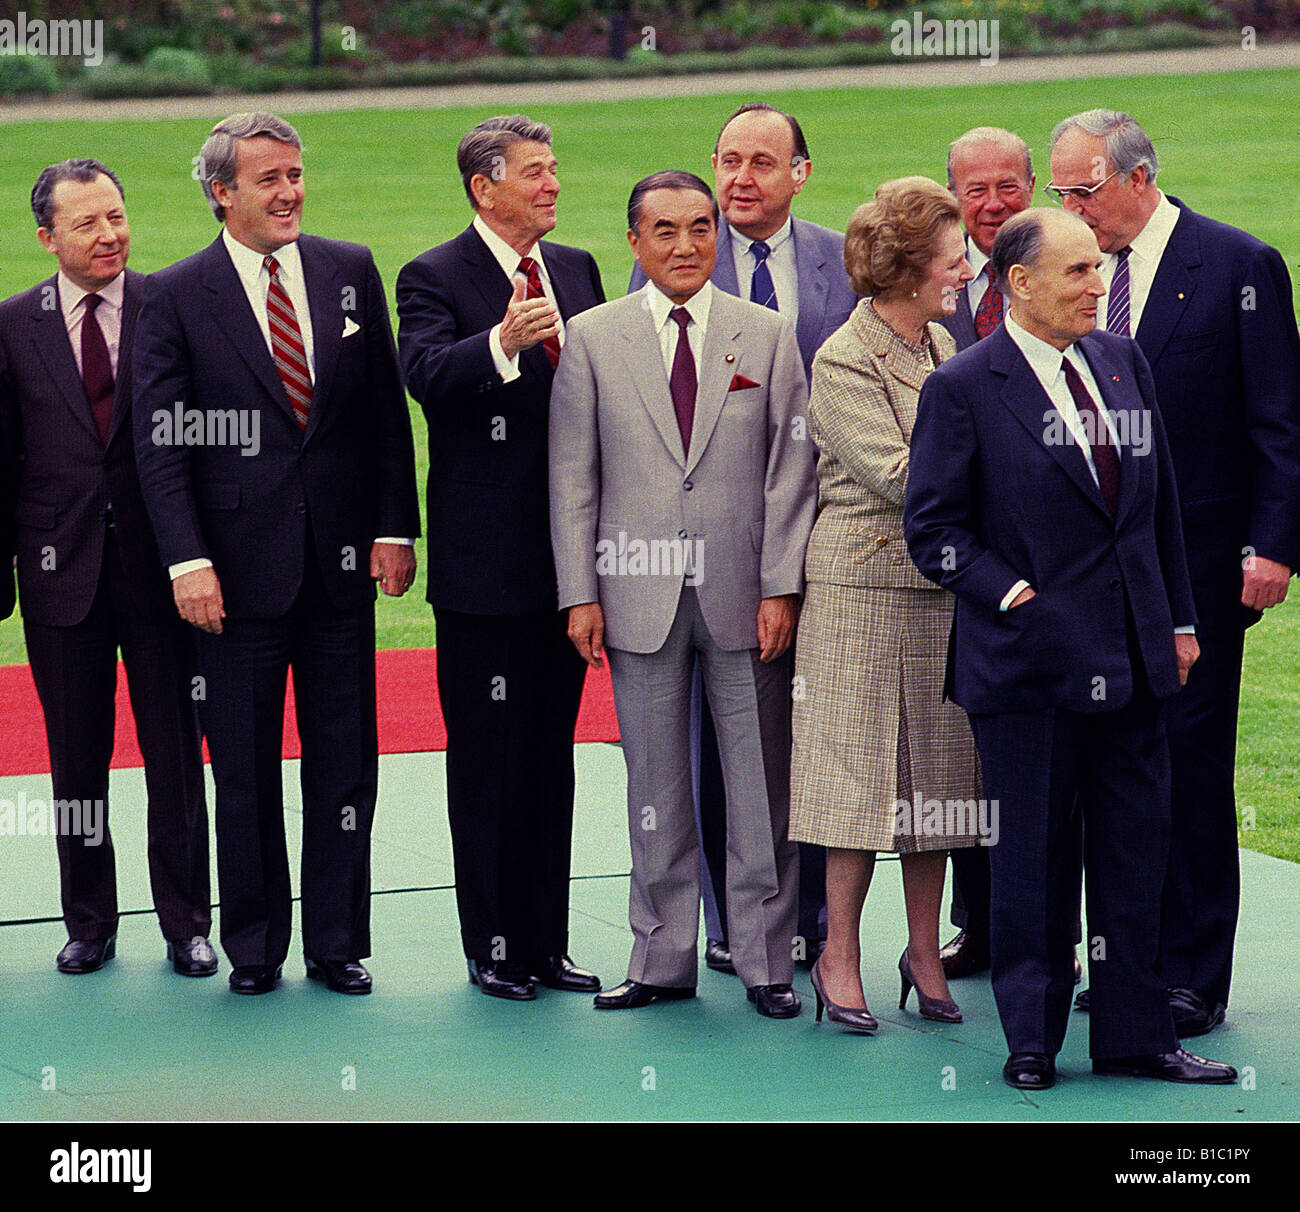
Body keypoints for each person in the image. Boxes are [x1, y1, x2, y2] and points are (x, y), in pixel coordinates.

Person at [905, 206, 1237, 1089]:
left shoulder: (1124, 364)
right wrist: (1014, 596)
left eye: (1100, 269)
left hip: (1134, 663)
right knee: (1033, 864)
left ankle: (1136, 1035)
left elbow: (1157, 507)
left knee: (1136, 854)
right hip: (1025, 673)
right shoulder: (965, 387)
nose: (1100, 286)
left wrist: (1177, 623)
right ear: (1020, 284)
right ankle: (1031, 1040)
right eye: (1081, 272)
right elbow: (932, 530)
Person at [133, 113, 420, 996]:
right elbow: (162, 444)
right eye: (270, 180)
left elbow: (380, 412)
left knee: (345, 763)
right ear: (222, 192)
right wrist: (187, 562)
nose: (291, 192)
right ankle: (254, 948)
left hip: (340, 573)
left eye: (296, 175)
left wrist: (393, 528)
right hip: (233, 580)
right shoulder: (176, 296)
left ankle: (336, 944)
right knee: (246, 769)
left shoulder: (348, 271)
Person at [1049, 109, 1300, 1036]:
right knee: (1111, 772)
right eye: (1059, 190)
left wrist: (1272, 547)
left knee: (1190, 766)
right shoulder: (1073, 276)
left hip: (1200, 568)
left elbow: (1279, 421)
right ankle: (1126, 964)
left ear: (1139, 177)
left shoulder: (1236, 265)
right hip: (1090, 575)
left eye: (1083, 188)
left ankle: (1193, 975)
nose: (1069, 206)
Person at [550, 171, 817, 1017]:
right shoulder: (592, 339)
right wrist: (578, 593)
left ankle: (767, 960)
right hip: (634, 595)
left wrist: (781, 585)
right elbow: (572, 478)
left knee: (760, 784)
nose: (685, 246)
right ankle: (661, 958)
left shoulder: (768, 336)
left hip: (747, 596)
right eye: (664, 231)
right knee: (655, 787)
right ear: (633, 243)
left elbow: (791, 470)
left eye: (701, 228)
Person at [629, 102, 859, 975]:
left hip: (834, 542)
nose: (740, 180)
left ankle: (805, 924)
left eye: (763, 162)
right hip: (705, 562)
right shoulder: (673, 258)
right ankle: (728, 929)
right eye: (728, 159)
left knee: (810, 740)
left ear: (801, 173)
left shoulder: (843, 260)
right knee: (712, 750)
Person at [396, 115, 605, 1002]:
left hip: (571, 569)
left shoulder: (579, 268)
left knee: (550, 757)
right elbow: (426, 377)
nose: (553, 184)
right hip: (486, 575)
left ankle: (546, 942)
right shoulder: (434, 276)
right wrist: (503, 345)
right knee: (488, 760)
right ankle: (492, 946)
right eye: (535, 173)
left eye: (555, 169)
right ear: (486, 187)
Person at [0, 160, 212, 977]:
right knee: (76, 761)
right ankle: (89, 920)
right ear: (47, 237)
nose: (109, 235)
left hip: (167, 572)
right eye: (86, 224)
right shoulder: (13, 326)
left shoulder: (177, 305)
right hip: (62, 577)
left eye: (116, 217)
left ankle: (187, 922)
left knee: (175, 754)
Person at [788, 177, 981, 1035]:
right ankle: (839, 955)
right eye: (953, 258)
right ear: (909, 271)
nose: (968, 269)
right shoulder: (843, 357)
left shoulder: (944, 342)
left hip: (941, 590)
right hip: (862, 589)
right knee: (855, 781)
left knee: (937, 781)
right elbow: (900, 477)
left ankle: (925, 952)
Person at [937, 126, 1035, 979]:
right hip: (958, 566)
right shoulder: (942, 290)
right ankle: (982, 926)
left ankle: (1058, 938)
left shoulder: (1065, 281)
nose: (994, 204)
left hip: (1047, 565)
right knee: (968, 756)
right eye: (977, 190)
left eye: (1009, 186)